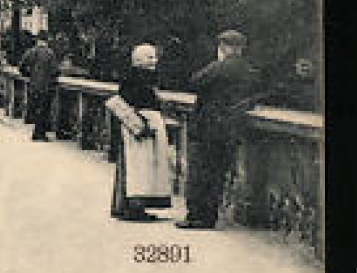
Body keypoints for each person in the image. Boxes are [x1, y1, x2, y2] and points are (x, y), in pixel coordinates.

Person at [179, 29, 260, 229]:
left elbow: (194, 81)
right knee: (217, 176)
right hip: (229, 130)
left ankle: (197, 217)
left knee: (200, 174)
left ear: (224, 47)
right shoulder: (249, 71)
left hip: (207, 128)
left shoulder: (220, 67)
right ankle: (209, 216)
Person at [107, 43, 172, 222]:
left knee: (139, 166)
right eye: (149, 57)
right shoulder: (137, 78)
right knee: (139, 166)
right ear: (137, 60)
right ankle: (134, 208)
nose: (154, 60)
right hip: (140, 126)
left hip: (142, 125)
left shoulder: (142, 77)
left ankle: (131, 207)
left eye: (154, 57)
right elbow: (129, 101)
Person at [19, 34, 60, 140]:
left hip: (33, 85)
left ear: (37, 41)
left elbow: (21, 67)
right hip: (46, 86)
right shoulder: (50, 53)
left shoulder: (30, 52)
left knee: (36, 108)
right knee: (44, 110)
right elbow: (55, 71)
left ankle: (37, 133)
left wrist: (29, 75)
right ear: (46, 41)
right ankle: (39, 134)